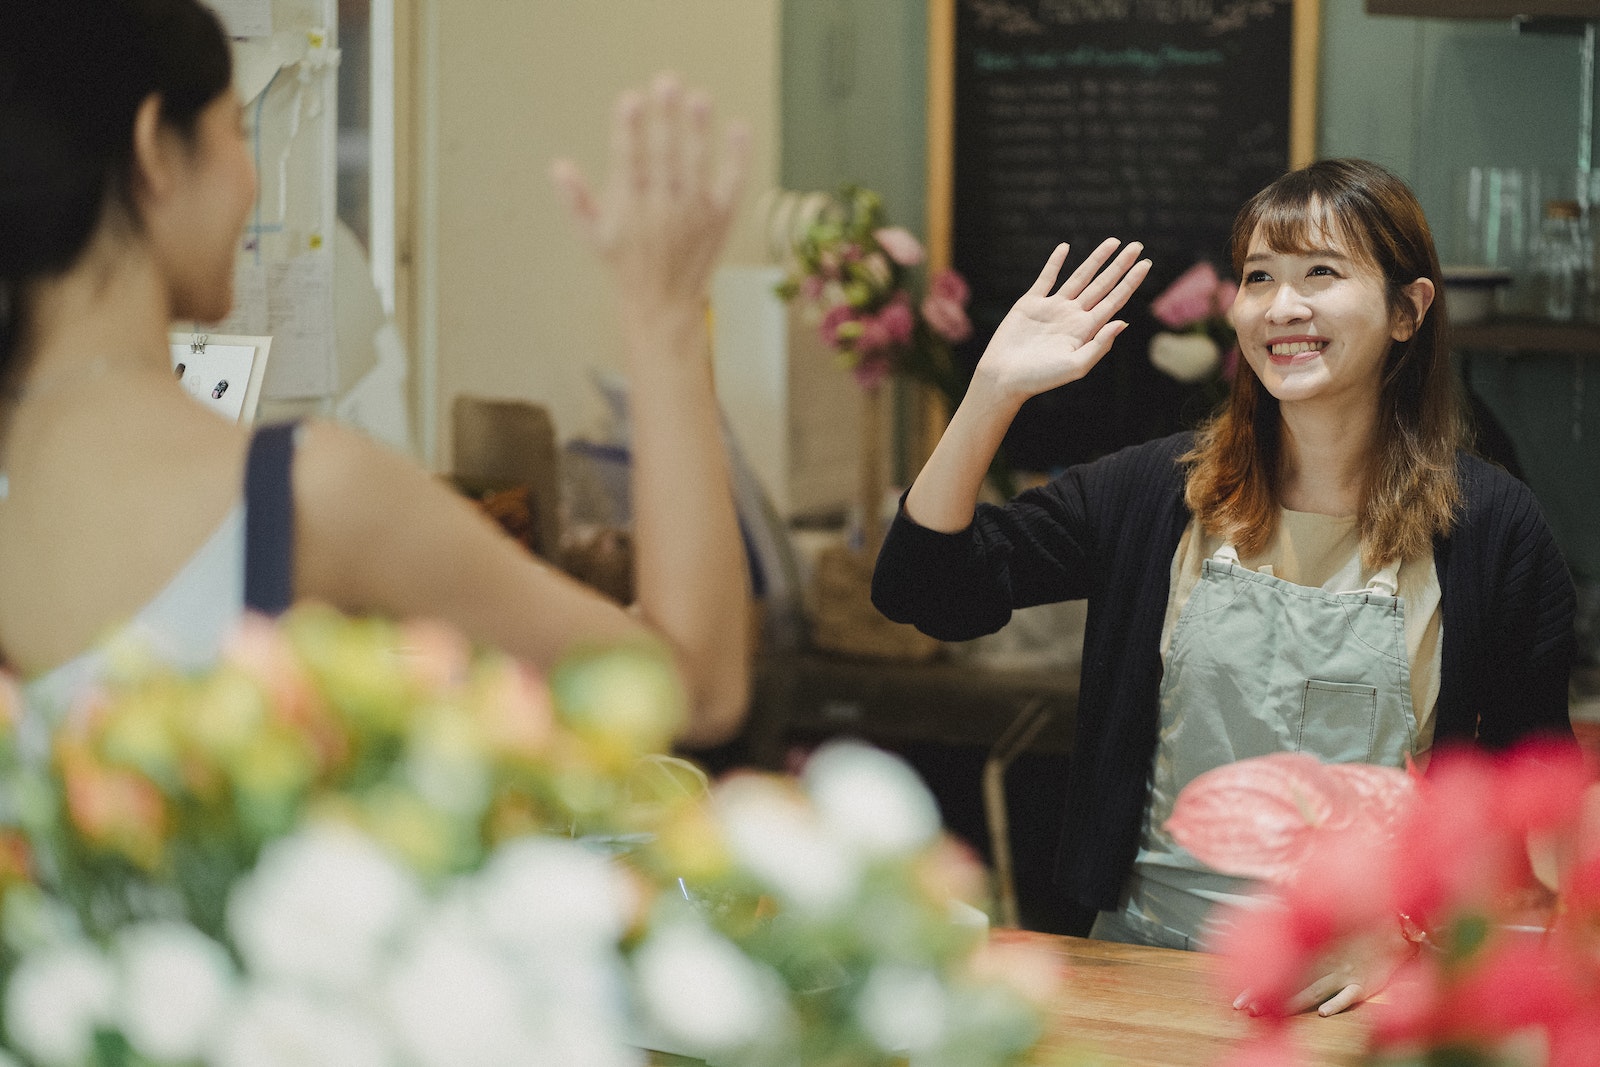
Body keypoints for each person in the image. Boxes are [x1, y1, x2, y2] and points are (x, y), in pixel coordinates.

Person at [872, 158, 1577, 1013]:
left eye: (1321, 272)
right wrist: (991, 391)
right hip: (1144, 965)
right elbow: (923, 585)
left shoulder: (1494, 528)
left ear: (1407, 309)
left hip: (1362, 991)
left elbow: (1526, 799)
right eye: (1258, 278)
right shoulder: (1152, 494)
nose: (1283, 306)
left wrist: (1408, 933)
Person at [0, 0, 751, 747]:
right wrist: (665, 311)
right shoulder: (300, 494)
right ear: (156, 153)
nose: (250, 177)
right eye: (235, 128)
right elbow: (696, 687)